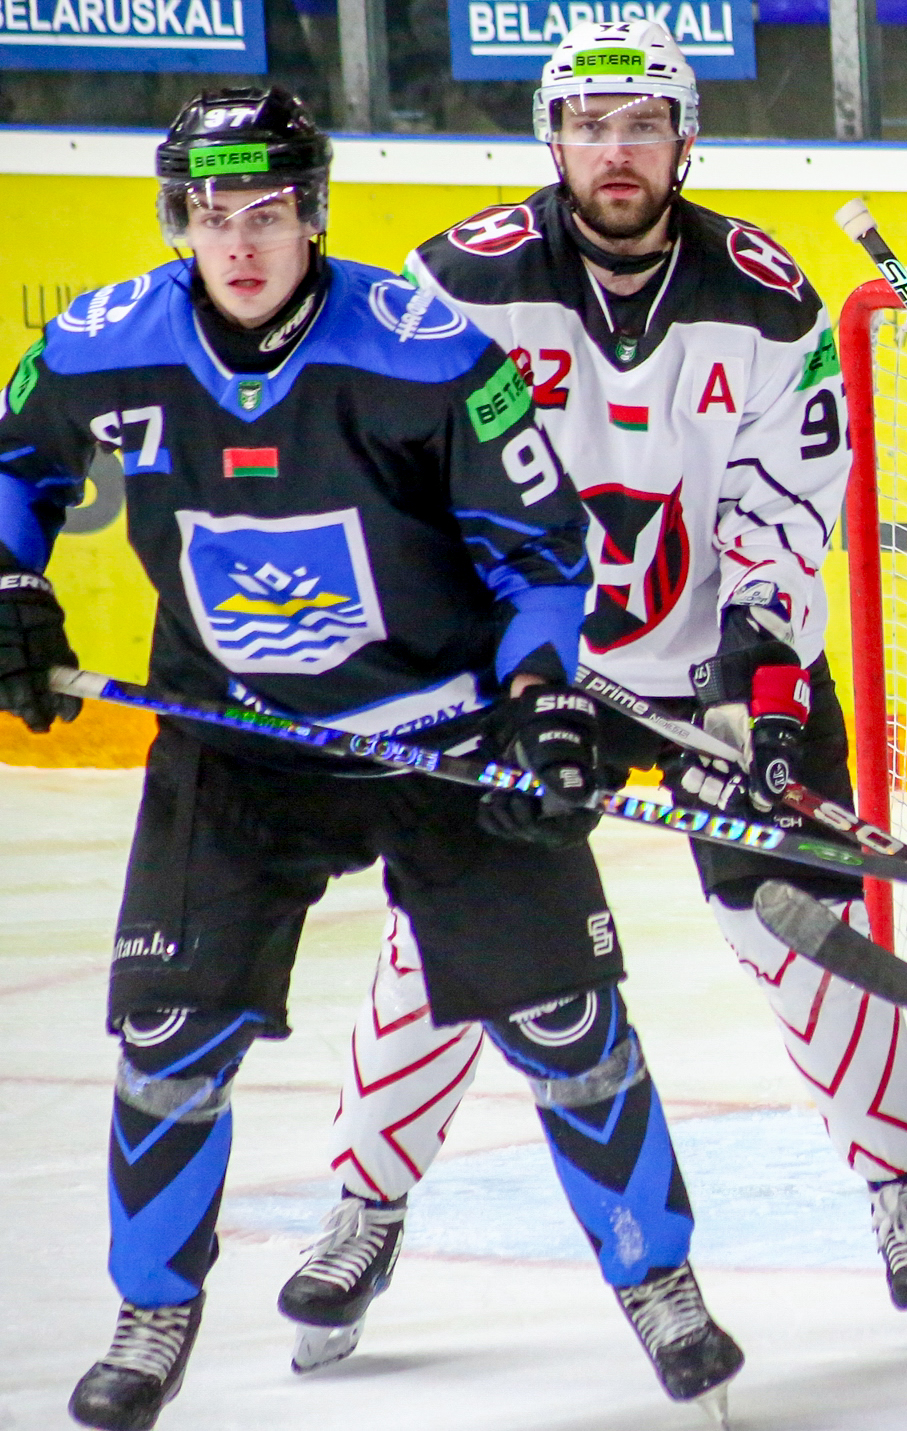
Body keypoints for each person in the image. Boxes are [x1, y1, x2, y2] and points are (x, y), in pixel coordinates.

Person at [0, 87, 743, 1428]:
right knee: (168, 1037)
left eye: (266, 211)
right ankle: (152, 1309)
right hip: (236, 742)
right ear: (179, 221)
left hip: (443, 737)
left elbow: (543, 555)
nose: (239, 242)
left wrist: (540, 695)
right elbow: (12, 466)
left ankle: (661, 1284)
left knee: (567, 1025)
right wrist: (8, 577)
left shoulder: (425, 351)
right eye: (210, 214)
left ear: (313, 214)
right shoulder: (104, 347)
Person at [282, 20, 907, 1365]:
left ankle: (899, 1180)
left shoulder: (767, 298)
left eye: (643, 125)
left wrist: (763, 677)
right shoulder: (458, 286)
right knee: (450, 939)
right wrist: (468, 672)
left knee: (801, 927)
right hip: (527, 677)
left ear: (684, 142)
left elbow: (783, 511)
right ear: (551, 140)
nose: (617, 150)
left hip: (717, 677)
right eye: (590, 125)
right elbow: (413, 498)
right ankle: (363, 1205)